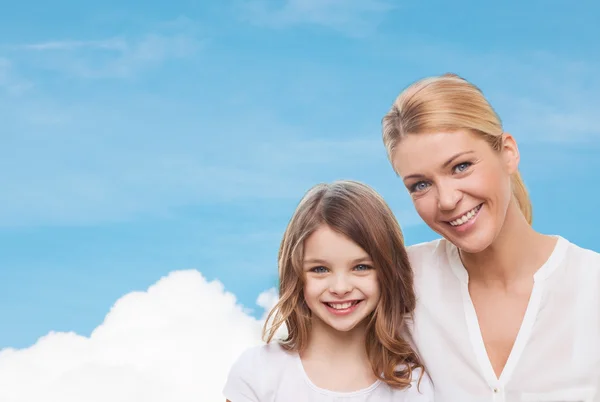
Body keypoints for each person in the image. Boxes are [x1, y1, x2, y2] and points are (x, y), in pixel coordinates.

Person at [381, 73, 600, 401]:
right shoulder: (402, 282)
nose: (447, 199)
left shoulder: (590, 286)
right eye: (420, 185)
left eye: (461, 166)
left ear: (508, 153)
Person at [223, 180, 434, 401]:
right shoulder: (258, 373)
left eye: (361, 267)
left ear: (387, 272)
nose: (340, 288)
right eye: (320, 269)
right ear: (295, 274)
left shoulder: (413, 386)